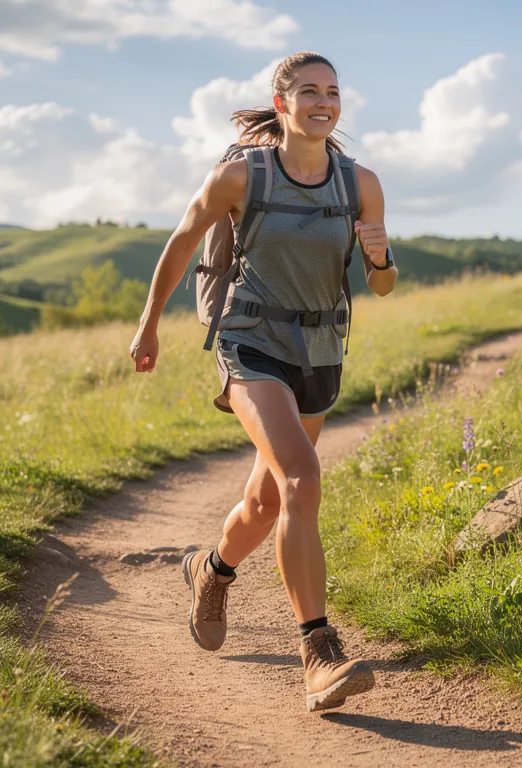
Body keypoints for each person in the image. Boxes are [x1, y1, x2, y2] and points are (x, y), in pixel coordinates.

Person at [128, 51, 398, 712]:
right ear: (281, 104)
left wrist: (381, 253)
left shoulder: (359, 182)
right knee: (303, 479)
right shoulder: (241, 177)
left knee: (268, 502)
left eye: (332, 92)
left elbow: (383, 284)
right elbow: (183, 241)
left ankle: (211, 570)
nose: (323, 102)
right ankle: (318, 653)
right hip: (250, 342)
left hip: (322, 349)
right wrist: (149, 324)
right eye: (308, 91)